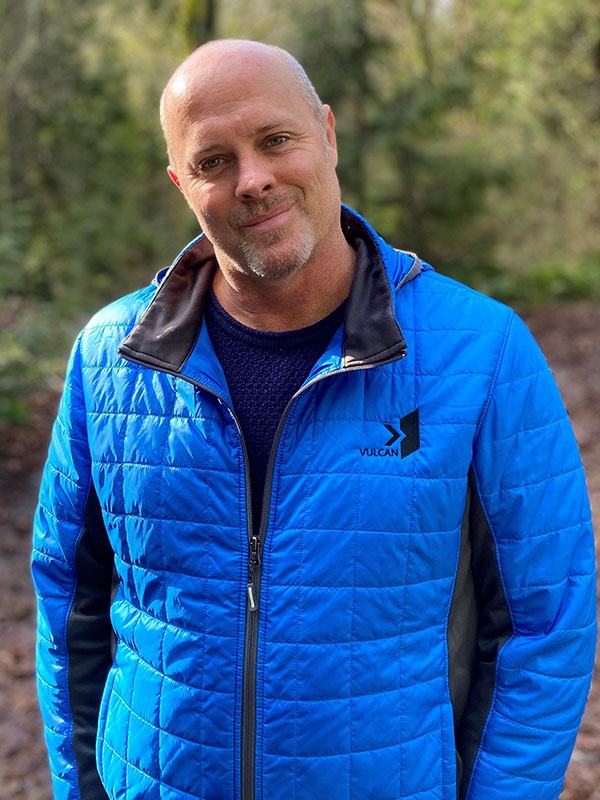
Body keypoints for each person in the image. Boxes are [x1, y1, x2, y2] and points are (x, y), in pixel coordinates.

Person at [32, 39, 596, 800]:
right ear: (181, 183)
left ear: (327, 135)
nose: (253, 180)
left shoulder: (481, 352)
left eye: (275, 140)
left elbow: (547, 623)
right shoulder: (111, 357)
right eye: (213, 161)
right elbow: (68, 605)